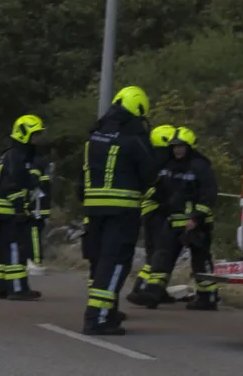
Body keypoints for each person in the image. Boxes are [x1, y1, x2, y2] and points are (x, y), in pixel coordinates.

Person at [79, 85, 157, 335]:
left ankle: (107, 312)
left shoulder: (96, 134)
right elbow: (150, 173)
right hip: (122, 211)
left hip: (93, 209)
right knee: (114, 264)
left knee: (100, 261)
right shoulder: (134, 137)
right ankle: (97, 318)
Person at [131, 127, 219, 310]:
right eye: (174, 146)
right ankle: (153, 293)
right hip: (173, 221)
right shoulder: (169, 166)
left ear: (190, 147)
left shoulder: (200, 166)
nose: (177, 150)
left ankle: (208, 297)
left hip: (196, 224)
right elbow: (161, 189)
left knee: (200, 262)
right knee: (162, 257)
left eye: (181, 146)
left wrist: (196, 218)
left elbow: (208, 194)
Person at [0, 114, 45, 301]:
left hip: (0, 210)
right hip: (8, 210)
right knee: (14, 249)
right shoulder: (17, 156)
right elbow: (12, 184)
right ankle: (17, 289)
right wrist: (20, 208)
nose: (37, 139)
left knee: (1, 250)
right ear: (23, 133)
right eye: (34, 134)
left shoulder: (12, 154)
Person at [127, 124, 178, 307]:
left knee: (158, 252)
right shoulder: (160, 163)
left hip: (151, 211)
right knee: (158, 252)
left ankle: (157, 290)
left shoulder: (150, 159)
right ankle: (140, 288)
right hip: (156, 211)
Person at [25, 155, 52, 276]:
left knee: (34, 234)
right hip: (41, 206)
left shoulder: (34, 163)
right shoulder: (43, 163)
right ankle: (34, 260)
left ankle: (36, 262)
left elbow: (33, 182)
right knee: (35, 234)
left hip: (37, 207)